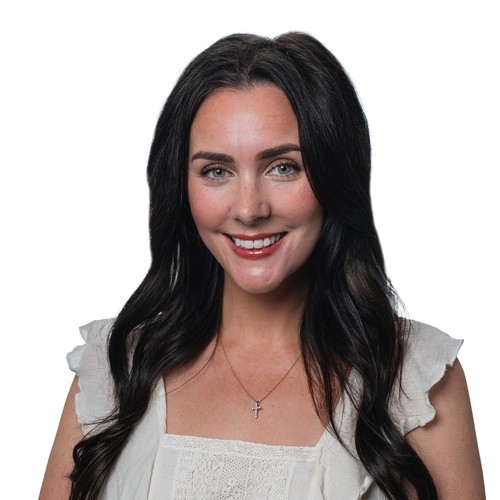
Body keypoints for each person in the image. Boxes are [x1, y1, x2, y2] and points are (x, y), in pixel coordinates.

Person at [40, 32, 485, 499]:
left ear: (335, 174)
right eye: (217, 171)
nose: (249, 209)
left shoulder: (416, 379)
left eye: (283, 167)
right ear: (181, 187)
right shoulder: (114, 369)